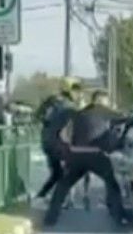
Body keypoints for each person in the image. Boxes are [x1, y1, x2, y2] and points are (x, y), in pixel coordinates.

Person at [43, 90, 128, 227]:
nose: (108, 103)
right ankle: (118, 214)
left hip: (76, 155)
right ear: (100, 100)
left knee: (63, 186)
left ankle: (50, 218)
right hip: (95, 155)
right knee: (112, 183)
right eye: (106, 100)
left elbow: (66, 133)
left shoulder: (79, 113)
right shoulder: (102, 110)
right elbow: (124, 117)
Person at [34, 78, 83, 201]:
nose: (78, 93)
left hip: (47, 142)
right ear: (68, 90)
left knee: (57, 173)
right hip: (59, 144)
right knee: (68, 171)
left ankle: (42, 195)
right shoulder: (69, 107)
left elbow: (38, 116)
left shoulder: (51, 101)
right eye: (75, 90)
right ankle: (57, 198)